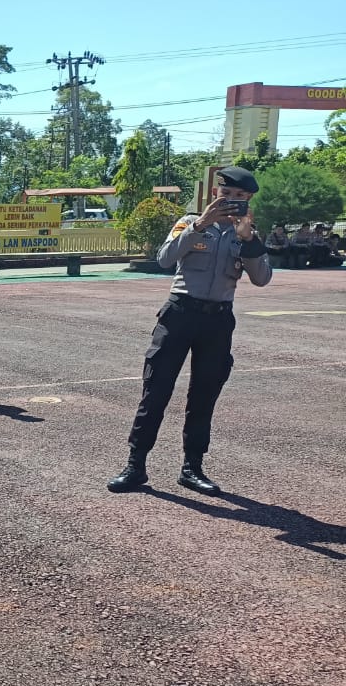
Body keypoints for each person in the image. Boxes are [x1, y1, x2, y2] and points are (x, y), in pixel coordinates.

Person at [108, 165, 272, 497]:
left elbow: (262, 278)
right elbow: (165, 258)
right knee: (156, 390)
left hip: (218, 320)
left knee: (204, 395)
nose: (231, 201)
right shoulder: (189, 222)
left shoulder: (249, 234)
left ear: (249, 200)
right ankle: (136, 465)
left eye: (240, 197)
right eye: (226, 194)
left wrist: (248, 237)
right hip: (180, 313)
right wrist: (201, 224)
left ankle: (192, 468)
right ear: (216, 194)